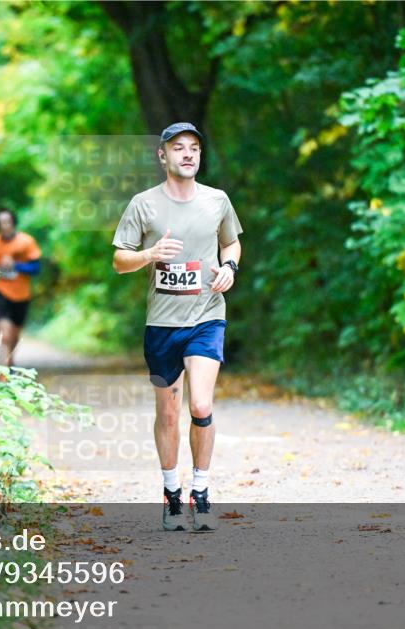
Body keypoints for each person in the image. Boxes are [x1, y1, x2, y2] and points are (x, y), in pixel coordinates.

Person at [111, 122, 242, 532]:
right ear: (162, 156)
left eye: (194, 148)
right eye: (178, 148)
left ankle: (200, 493)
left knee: (200, 406)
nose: (188, 154)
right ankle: (171, 494)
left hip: (207, 315)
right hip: (162, 323)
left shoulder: (217, 200)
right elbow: (119, 260)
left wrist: (230, 267)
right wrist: (150, 254)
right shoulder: (143, 204)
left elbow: (231, 241)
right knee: (168, 414)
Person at [0, 208, 42, 367]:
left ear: (13, 223)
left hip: (22, 294)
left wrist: (16, 265)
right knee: (5, 335)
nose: (4, 226)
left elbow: (36, 268)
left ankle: (8, 362)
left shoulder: (26, 242)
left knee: (14, 336)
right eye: (0, 223)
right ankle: (3, 370)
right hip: (0, 290)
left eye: (7, 222)